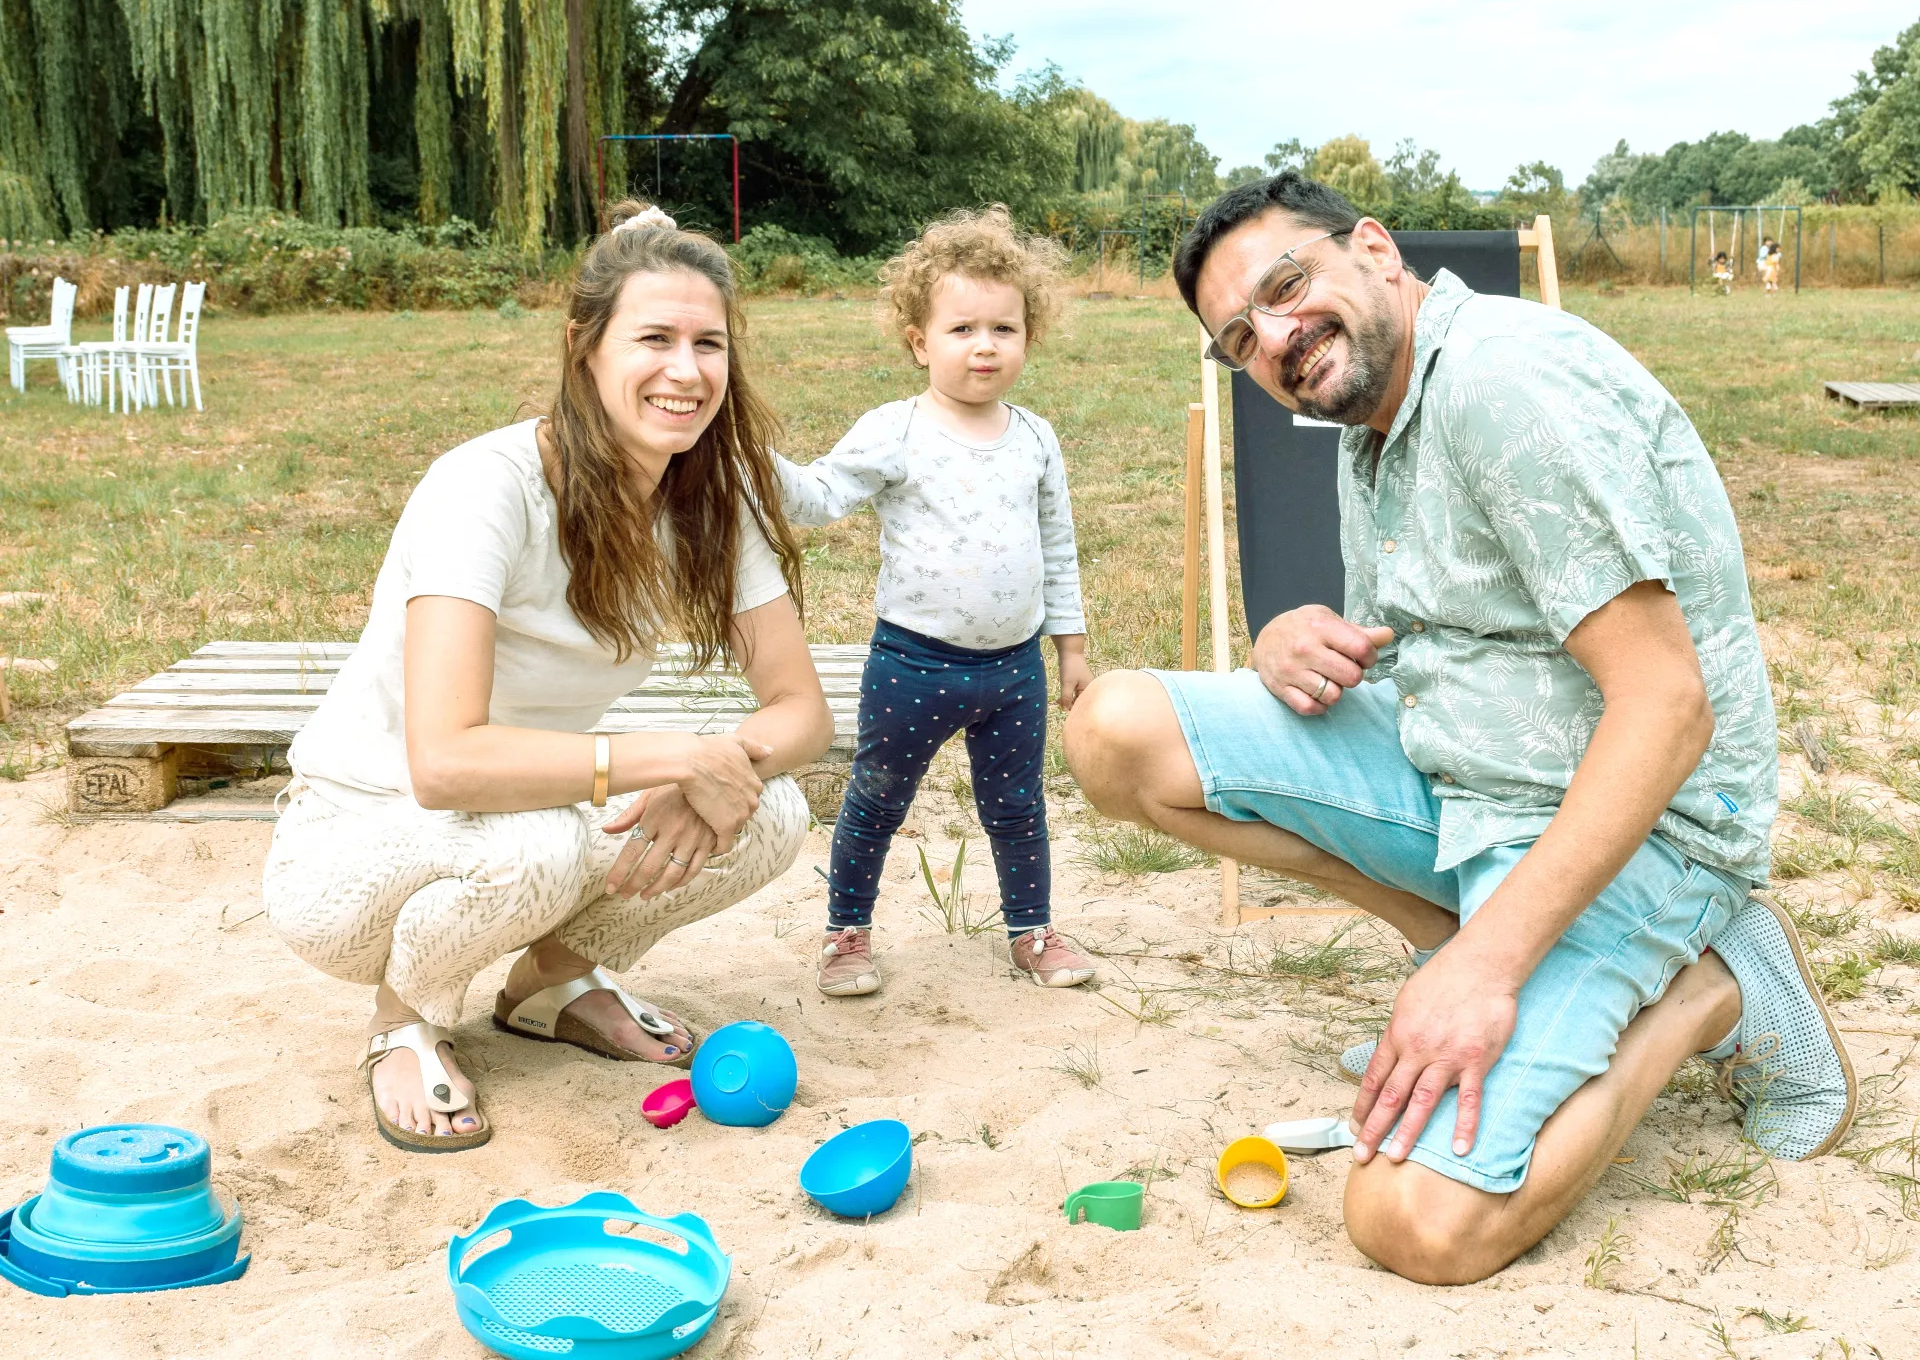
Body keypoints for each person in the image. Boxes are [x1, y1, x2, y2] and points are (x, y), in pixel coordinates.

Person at [1064, 173, 1855, 1285]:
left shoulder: (1506, 385)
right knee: (1116, 730)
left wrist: (1492, 963)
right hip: (1467, 772)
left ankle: (1709, 987)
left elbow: (1668, 707)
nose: (1278, 337)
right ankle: (1472, 953)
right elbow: (1414, 641)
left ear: (1376, 250)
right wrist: (1289, 635)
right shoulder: (1374, 419)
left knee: (1417, 1221)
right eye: (1242, 334)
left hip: (1647, 824)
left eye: (1287, 287)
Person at [263, 203, 831, 1152]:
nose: (686, 372)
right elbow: (444, 762)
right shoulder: (485, 486)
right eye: (653, 337)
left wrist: (718, 769)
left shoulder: (708, 500)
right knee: (534, 846)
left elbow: (801, 710)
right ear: (585, 346)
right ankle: (402, 1019)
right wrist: (680, 755)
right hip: (356, 848)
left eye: (709, 344)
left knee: (766, 813)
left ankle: (551, 984)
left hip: (522, 817)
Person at [777, 207, 1097, 997]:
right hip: (913, 664)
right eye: (961, 328)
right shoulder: (897, 431)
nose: (984, 345)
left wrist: (1072, 647)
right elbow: (818, 496)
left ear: (1029, 336)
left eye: (1004, 328)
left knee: (1018, 809)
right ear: (920, 340)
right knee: (877, 799)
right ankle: (847, 934)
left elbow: (1057, 544)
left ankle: (1031, 929)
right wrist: (752, 463)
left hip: (1016, 671)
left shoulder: (1035, 437)